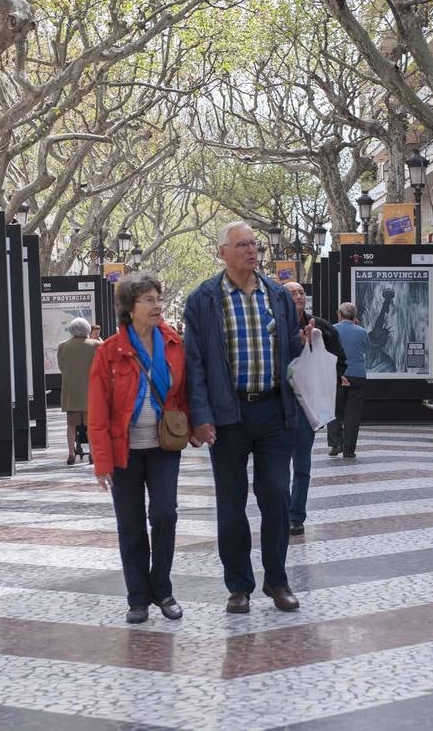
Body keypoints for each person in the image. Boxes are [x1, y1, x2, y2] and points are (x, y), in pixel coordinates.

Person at [183, 221, 308, 614]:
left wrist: (301, 343)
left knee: (275, 495)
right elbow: (195, 363)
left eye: (254, 244)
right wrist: (201, 416)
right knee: (231, 503)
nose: (251, 251)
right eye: (242, 245)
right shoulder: (203, 299)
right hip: (228, 414)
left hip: (274, 410)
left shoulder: (276, 294)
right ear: (223, 252)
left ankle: (277, 581)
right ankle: (238, 586)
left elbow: (287, 346)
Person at [87, 272, 188, 625]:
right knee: (130, 524)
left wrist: (192, 424)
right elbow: (97, 411)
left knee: (165, 514)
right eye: (148, 299)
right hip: (123, 451)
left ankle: (162, 589)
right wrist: (101, 462)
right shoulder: (110, 352)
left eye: (158, 298)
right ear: (130, 308)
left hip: (163, 447)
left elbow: (183, 393)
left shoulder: (173, 343)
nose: (156, 304)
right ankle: (138, 598)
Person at [282, 281, 347, 536]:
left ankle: (296, 516)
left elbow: (339, 359)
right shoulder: (272, 327)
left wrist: (326, 387)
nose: (298, 296)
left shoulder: (321, 327)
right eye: (292, 293)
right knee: (276, 467)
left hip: (304, 405)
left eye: (301, 292)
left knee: (302, 464)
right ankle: (280, 511)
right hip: (277, 402)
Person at [57, 317, 100, 465]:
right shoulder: (96, 345)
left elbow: (61, 367)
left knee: (71, 425)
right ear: (87, 329)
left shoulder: (63, 346)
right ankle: (93, 454)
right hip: (91, 391)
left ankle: (71, 453)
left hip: (72, 391)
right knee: (91, 425)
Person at [330, 302, 369, 458]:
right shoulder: (362, 331)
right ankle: (349, 450)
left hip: (338, 374)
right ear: (355, 316)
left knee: (334, 409)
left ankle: (335, 443)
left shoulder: (332, 329)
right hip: (358, 375)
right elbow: (367, 349)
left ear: (339, 314)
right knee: (353, 414)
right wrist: (357, 326)